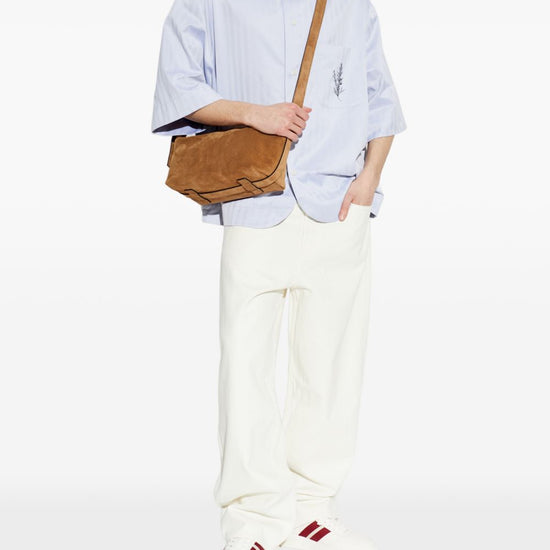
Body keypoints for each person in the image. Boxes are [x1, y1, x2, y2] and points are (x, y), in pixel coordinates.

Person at [151, 1, 407, 549]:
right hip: (255, 198)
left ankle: (312, 511)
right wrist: (254, 114)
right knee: (245, 368)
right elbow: (178, 82)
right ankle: (253, 521)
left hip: (339, 202)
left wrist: (370, 178)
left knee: (331, 367)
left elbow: (379, 92)